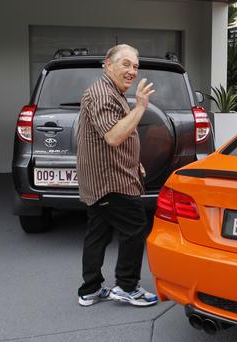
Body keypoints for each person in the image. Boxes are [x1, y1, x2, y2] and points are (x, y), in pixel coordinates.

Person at [76, 44, 158, 307]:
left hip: (106, 178)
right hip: (111, 181)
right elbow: (113, 136)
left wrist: (135, 163)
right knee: (134, 228)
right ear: (108, 65)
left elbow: (118, 137)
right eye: (125, 64)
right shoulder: (102, 93)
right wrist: (141, 106)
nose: (132, 70)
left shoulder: (113, 92)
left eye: (135, 66)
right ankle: (126, 286)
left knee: (98, 232)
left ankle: (90, 288)